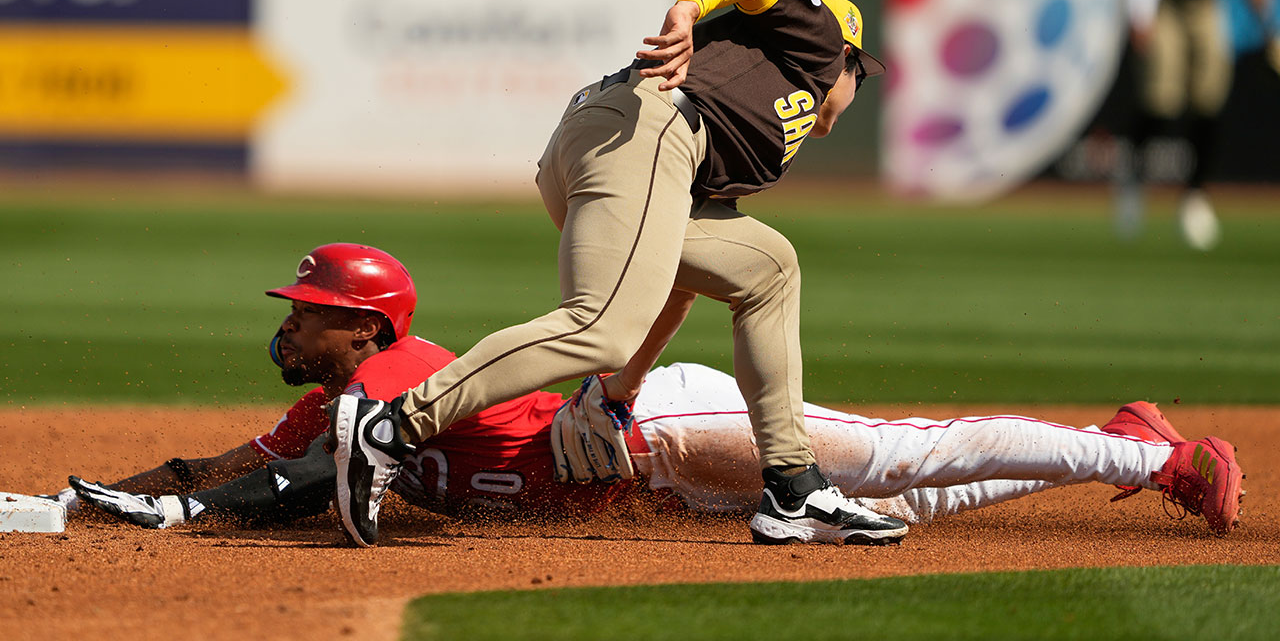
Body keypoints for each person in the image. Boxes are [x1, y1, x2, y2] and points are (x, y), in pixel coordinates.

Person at [328, 0, 910, 548]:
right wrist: (688, 9)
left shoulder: (763, 118)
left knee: (766, 270)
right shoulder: (815, 43)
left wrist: (619, 394)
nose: (854, 87)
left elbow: (674, 280)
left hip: (614, 137)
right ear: (843, 56)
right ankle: (391, 426)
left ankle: (792, 489)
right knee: (598, 329)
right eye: (858, 74)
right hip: (645, 129)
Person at [65, 244, 1245, 542]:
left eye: (301, 308)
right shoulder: (331, 406)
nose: (285, 322)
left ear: (357, 325)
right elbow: (274, 470)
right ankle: (1114, 442)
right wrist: (164, 500)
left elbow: (326, 463)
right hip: (646, 500)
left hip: (657, 428)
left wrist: (208, 501)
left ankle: (1159, 462)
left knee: (889, 459)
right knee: (899, 513)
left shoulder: (403, 371)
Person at [1118, 0, 1274, 249]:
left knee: (1209, 99)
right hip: (1168, 1)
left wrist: (1268, 27)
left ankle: (1195, 195)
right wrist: (1141, 11)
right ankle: (1132, 178)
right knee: (1162, 99)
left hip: (1207, 2)